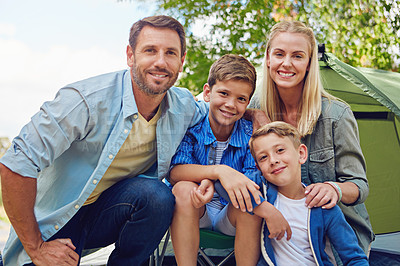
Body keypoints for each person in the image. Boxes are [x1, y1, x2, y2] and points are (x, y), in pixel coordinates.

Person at [0, 15, 212, 265]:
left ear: (181, 61)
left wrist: (256, 116)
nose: (160, 62)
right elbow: (16, 161)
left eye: (170, 53)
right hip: (55, 221)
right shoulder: (85, 101)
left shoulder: (183, 105)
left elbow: (221, 110)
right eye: (150, 50)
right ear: (130, 55)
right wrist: (35, 246)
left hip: (109, 213)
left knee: (157, 197)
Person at [250, 21, 374, 260]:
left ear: (309, 63)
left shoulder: (336, 115)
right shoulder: (255, 108)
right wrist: (249, 112)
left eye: (297, 56)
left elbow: (359, 186)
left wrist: (333, 189)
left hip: (338, 233)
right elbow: (215, 107)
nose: (286, 63)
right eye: (279, 54)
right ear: (267, 59)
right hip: (281, 230)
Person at [168, 54, 291, 266]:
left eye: (241, 99)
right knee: (182, 190)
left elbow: (251, 182)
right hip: (198, 211)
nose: (230, 104)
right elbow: (176, 171)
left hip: (232, 215)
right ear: (207, 92)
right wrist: (218, 172)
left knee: (249, 203)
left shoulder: (250, 135)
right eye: (223, 93)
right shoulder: (192, 126)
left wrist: (265, 209)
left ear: (248, 102)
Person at [249, 121, 369, 265]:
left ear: (301, 154)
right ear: (258, 167)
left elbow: (354, 257)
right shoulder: (260, 188)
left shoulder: (322, 206)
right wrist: (267, 211)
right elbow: (224, 187)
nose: (273, 160)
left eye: (280, 150)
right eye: (263, 157)